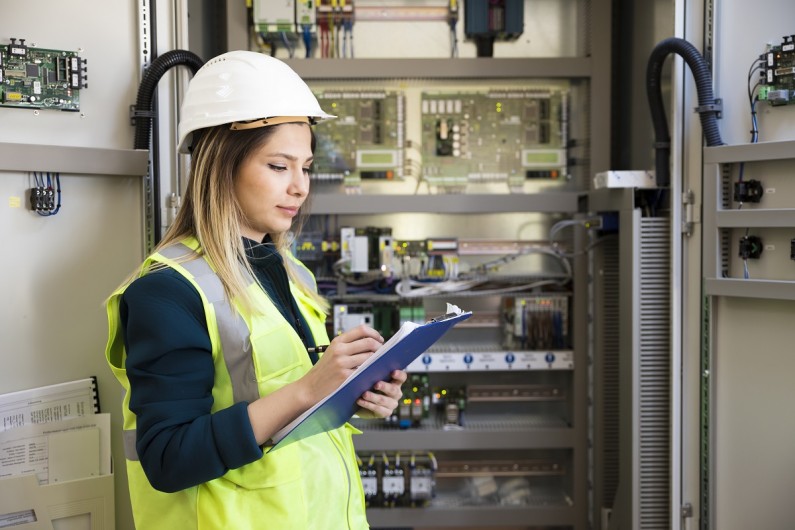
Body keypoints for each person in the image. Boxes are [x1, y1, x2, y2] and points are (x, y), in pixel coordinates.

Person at [104, 50, 407, 530]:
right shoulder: (166, 291)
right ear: (222, 165)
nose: (300, 187)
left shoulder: (288, 273)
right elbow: (168, 458)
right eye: (279, 166)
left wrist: (353, 394)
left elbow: (296, 412)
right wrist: (310, 388)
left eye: (305, 167)